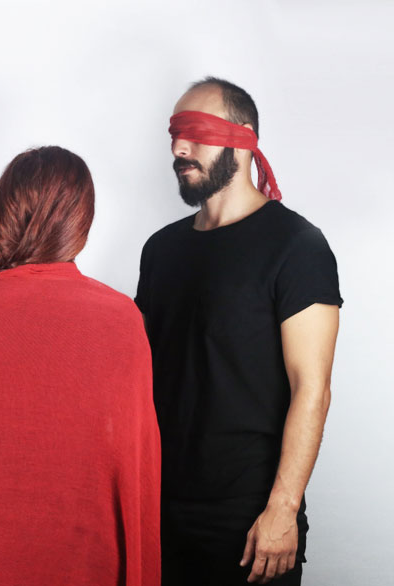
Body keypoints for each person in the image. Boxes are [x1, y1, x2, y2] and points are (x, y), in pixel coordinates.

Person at [0, 146, 162, 586]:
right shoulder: (120, 318)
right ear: (81, 220)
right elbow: (135, 474)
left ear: (2, 214)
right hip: (89, 561)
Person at [136, 77, 342, 585]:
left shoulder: (297, 245)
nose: (179, 148)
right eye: (174, 134)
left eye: (195, 132)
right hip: (160, 510)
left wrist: (283, 508)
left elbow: (312, 388)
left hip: (249, 520)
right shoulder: (160, 250)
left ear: (243, 137)